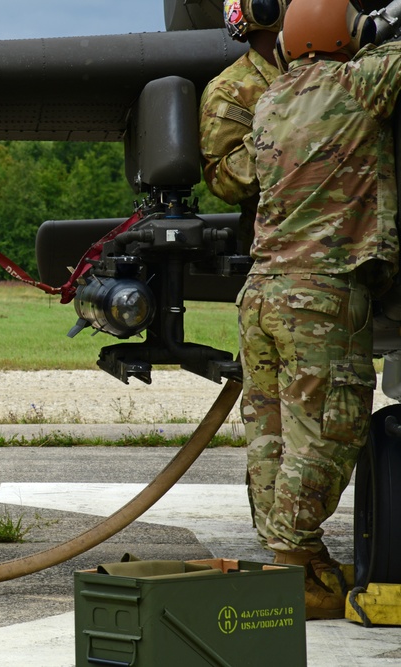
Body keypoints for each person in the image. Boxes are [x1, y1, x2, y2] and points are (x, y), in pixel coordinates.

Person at [239, 0, 401, 619]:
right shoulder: (360, 82)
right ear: (345, 35)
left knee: (271, 433)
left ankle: (292, 556)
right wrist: (378, 30)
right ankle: (293, 561)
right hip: (319, 291)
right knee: (328, 432)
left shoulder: (271, 98)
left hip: (261, 291)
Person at [198, 0, 286, 254]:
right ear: (267, 9)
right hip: (277, 250)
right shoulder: (230, 89)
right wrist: (282, 129)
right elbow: (222, 181)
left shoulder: (332, 71)